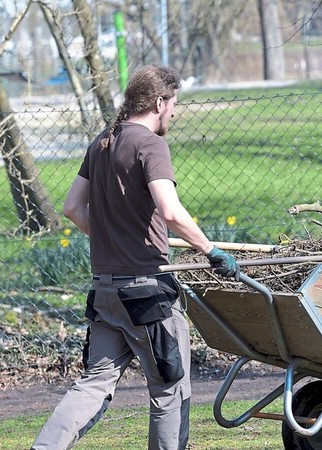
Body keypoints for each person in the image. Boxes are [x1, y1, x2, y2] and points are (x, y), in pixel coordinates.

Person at [31, 65, 238, 450]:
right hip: (147, 297)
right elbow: (172, 212)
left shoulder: (102, 143)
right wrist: (211, 250)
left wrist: (114, 237)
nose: (174, 113)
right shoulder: (150, 145)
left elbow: (74, 208)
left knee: (93, 385)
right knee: (170, 390)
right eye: (174, 104)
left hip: (106, 294)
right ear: (160, 102)